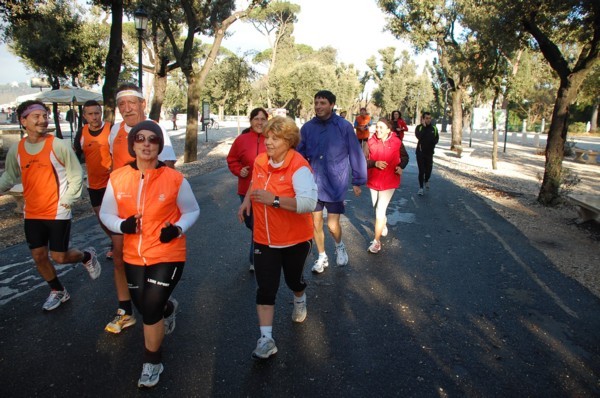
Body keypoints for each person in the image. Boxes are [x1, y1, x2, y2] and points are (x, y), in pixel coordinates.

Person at [99, 120, 199, 388]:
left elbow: (192, 210)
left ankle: (152, 362)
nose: (146, 143)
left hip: (167, 252)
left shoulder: (175, 178)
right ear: (132, 144)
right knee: (144, 307)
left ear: (159, 145)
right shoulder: (117, 177)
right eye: (140, 138)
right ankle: (169, 306)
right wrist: (123, 226)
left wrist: (177, 229)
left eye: (152, 139)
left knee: (151, 309)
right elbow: (106, 213)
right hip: (133, 254)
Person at [0, 100, 101, 311]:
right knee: (38, 256)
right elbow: (9, 176)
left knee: (60, 256)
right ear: (23, 121)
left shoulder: (57, 145)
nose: (42, 120)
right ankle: (58, 290)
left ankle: (86, 256)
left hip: (57, 211)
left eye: (44, 116)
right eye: (36, 116)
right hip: (32, 212)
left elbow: (76, 175)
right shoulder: (17, 149)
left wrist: (68, 200)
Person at [101, 84, 178, 335]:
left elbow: (168, 168)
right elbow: (113, 167)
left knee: (148, 260)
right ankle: (125, 310)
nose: (126, 108)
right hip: (123, 206)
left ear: (143, 103)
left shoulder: (156, 130)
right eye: (122, 104)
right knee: (119, 255)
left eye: (132, 102)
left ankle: (158, 306)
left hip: (151, 209)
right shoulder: (114, 131)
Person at [238, 116, 317, 360]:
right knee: (266, 288)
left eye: (275, 138)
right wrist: (245, 201)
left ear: (289, 142)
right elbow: (255, 181)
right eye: (267, 137)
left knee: (293, 281)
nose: (269, 142)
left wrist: (273, 200)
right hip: (264, 237)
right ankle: (266, 339)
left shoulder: (299, 166)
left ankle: (299, 297)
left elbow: (308, 202)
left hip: (295, 239)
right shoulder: (261, 160)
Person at [297, 90, 367, 273]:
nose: (318, 106)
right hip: (313, 183)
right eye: (316, 102)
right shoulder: (307, 128)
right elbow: (298, 154)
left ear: (332, 105)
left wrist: (358, 180)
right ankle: (322, 256)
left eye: (323, 103)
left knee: (333, 225)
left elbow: (355, 153)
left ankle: (339, 245)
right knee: (315, 223)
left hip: (335, 182)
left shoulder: (343, 126)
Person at [226, 107, 268, 272]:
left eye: (262, 119)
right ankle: (259, 253)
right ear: (250, 121)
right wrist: (239, 170)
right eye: (256, 119)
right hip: (245, 190)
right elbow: (232, 159)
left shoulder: (272, 138)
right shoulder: (241, 140)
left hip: (266, 190)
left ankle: (256, 258)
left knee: (260, 224)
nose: (259, 122)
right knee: (252, 224)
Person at [364, 118, 409, 253]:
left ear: (389, 130)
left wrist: (401, 167)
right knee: (376, 207)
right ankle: (382, 222)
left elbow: (405, 157)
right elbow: (363, 161)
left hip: (390, 181)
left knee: (379, 210)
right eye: (377, 127)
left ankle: (376, 242)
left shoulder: (397, 142)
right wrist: (374, 163)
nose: (378, 130)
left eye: (381, 127)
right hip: (374, 180)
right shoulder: (370, 142)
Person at [415, 112, 439, 196]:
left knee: (428, 171)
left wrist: (432, 143)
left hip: (429, 153)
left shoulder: (434, 128)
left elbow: (436, 139)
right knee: (421, 171)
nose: (428, 120)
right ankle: (421, 188)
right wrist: (424, 128)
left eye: (429, 118)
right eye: (426, 118)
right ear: (423, 119)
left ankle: (427, 179)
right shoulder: (419, 127)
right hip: (420, 153)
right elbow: (419, 137)